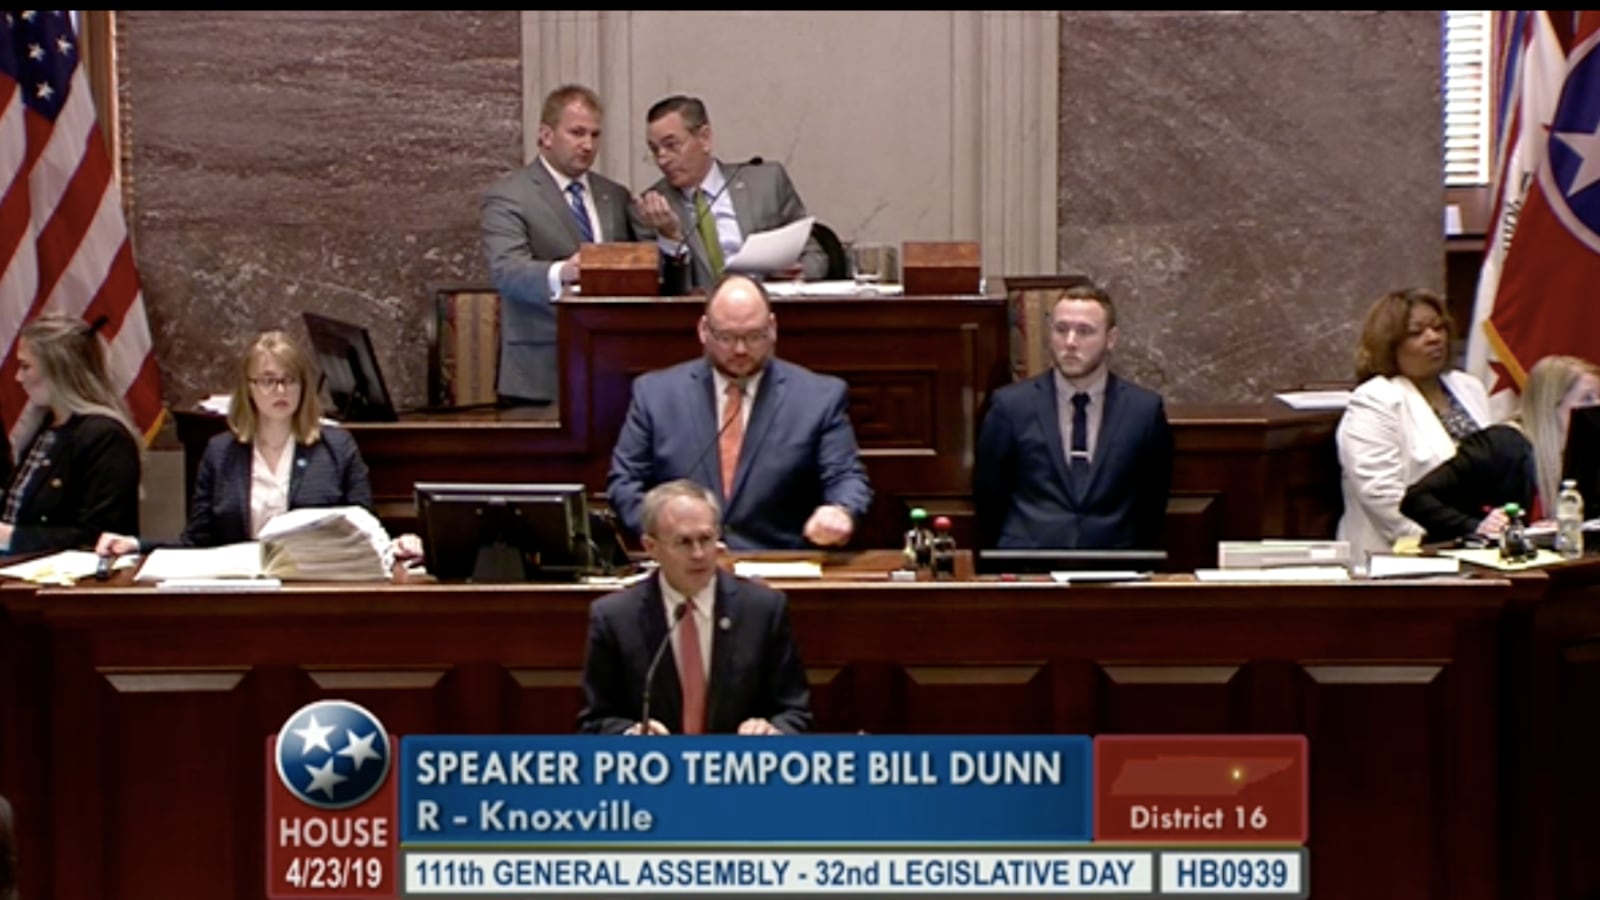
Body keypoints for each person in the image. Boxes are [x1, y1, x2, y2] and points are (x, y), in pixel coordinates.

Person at [96, 331, 422, 560]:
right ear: (249, 388)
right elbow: (197, 543)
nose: (280, 390)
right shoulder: (221, 452)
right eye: (268, 380)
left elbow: (365, 532)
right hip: (242, 588)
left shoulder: (336, 447)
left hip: (315, 586)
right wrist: (137, 545)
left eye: (289, 379)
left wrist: (400, 544)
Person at [607, 274, 872, 549]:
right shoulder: (656, 394)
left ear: (772, 328)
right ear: (703, 330)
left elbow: (846, 477)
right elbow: (624, 483)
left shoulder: (818, 398)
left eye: (754, 336)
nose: (740, 350)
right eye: (726, 337)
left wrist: (841, 511)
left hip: (778, 566)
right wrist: (671, 534)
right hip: (683, 565)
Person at [579, 479, 812, 735]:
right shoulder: (616, 617)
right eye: (684, 542)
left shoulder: (762, 609)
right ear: (651, 547)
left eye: (706, 538)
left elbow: (796, 713)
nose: (699, 553)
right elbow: (594, 722)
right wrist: (630, 735)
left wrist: (773, 731)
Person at [481, 84, 645, 406]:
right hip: (541, 369)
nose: (588, 145)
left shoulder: (614, 195)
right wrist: (564, 273)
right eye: (577, 133)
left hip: (613, 367)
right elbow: (505, 271)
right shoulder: (510, 195)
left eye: (595, 135)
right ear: (546, 135)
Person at [974, 284, 1173, 549]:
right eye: (1061, 329)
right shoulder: (1010, 406)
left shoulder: (1143, 410)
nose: (1070, 342)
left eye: (1084, 331)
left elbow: (1152, 500)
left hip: (1115, 566)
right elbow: (989, 495)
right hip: (1029, 567)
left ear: (1111, 339)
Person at [1336, 288, 1491, 558]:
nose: (1433, 338)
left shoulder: (1468, 387)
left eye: (1438, 327)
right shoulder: (1375, 400)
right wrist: (1448, 539)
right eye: (1416, 332)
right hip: (1403, 554)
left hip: (1480, 542)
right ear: (1389, 343)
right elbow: (1381, 495)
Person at [635, 95, 828, 292]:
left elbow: (815, 256)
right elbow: (662, 289)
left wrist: (799, 273)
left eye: (671, 145)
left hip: (771, 305)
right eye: (654, 150)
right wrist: (671, 237)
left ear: (704, 138)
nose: (662, 159)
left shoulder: (766, 183)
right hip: (699, 315)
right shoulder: (650, 208)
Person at [1401, 355, 1600, 542]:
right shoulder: (1500, 445)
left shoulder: (1585, 453)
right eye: (1587, 399)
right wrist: (1477, 527)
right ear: (1550, 405)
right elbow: (1417, 499)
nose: (1596, 407)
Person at [0, 315, 141, 555]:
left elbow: (100, 535)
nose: (18, 378)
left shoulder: (105, 438)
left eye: (26, 367)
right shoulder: (45, 427)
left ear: (59, 370)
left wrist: (12, 537)